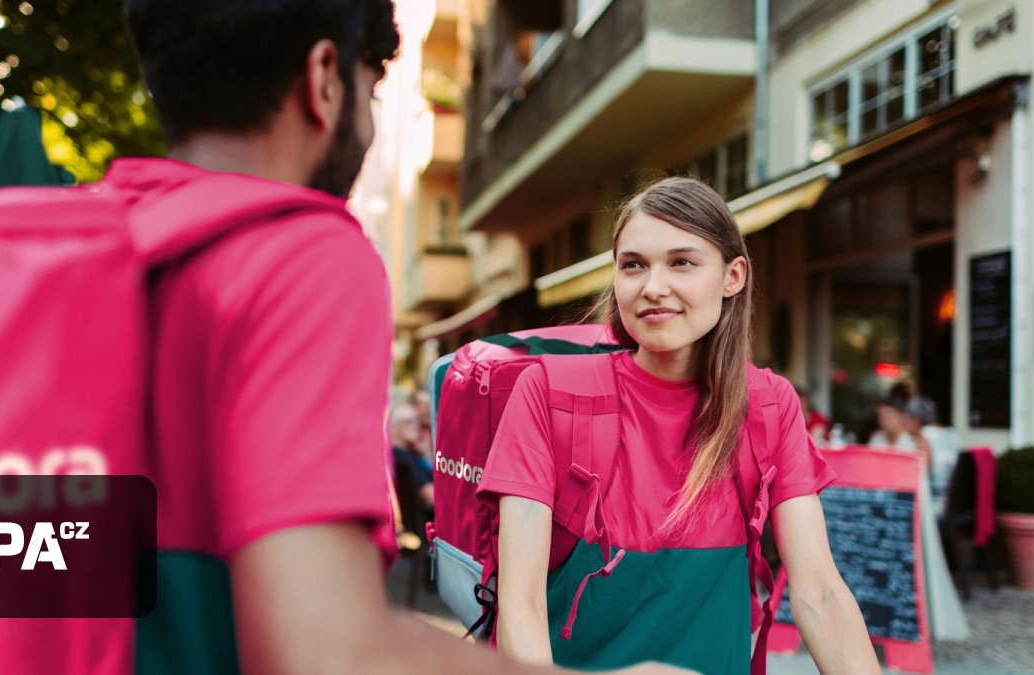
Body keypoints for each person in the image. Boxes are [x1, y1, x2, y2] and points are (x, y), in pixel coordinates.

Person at [124, 1, 689, 673]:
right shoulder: (301, 255)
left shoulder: (93, 244)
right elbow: (326, 649)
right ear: (325, 78)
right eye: (373, 87)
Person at [477, 176, 879, 673]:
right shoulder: (548, 392)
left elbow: (819, 592)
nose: (653, 288)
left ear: (733, 277)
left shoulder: (769, 404)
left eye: (682, 262)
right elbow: (522, 605)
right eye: (633, 266)